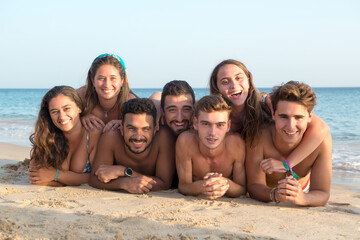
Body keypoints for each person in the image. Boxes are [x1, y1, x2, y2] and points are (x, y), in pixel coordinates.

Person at [209, 59, 329, 173]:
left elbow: (321, 128)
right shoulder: (212, 115)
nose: (234, 85)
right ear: (217, 88)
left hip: (279, 175)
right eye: (225, 82)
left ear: (249, 81)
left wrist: (287, 164)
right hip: (242, 179)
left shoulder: (266, 104)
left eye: (239, 78)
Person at [246, 81, 332, 206]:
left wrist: (303, 198)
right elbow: (254, 186)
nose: (291, 126)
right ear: (273, 114)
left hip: (302, 187)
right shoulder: (259, 136)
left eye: (299, 117)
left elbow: (322, 193)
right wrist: (274, 194)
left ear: (310, 117)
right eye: (284, 117)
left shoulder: (321, 142)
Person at [89, 98, 175, 194]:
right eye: (131, 129)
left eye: (145, 129)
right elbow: (94, 179)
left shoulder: (164, 137)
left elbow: (164, 184)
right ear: (121, 129)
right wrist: (124, 183)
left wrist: (124, 171)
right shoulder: (111, 137)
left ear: (155, 129)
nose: (138, 137)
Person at [176, 95, 246, 199]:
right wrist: (204, 186)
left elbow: (242, 189)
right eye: (205, 124)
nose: (212, 133)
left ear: (228, 126)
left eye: (220, 125)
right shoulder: (186, 142)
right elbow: (183, 186)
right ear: (195, 123)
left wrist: (225, 184)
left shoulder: (236, 144)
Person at [29, 86, 101, 186]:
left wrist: (56, 175)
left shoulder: (93, 132)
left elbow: (96, 177)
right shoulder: (48, 136)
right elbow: (36, 176)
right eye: (55, 112)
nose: (62, 117)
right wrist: (66, 179)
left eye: (67, 109)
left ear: (79, 107)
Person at [78, 53, 137, 133]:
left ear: (122, 81)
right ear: (93, 81)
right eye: (101, 78)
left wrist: (127, 123)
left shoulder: (130, 102)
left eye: (113, 78)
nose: (107, 85)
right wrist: (80, 118)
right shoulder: (82, 95)